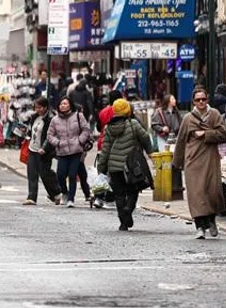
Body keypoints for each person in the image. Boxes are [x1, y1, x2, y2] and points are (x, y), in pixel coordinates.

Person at [172, 87, 226, 239]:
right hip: (193, 160)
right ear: (193, 102)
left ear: (207, 99)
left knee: (212, 193)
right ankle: (200, 227)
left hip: (210, 159)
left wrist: (206, 134)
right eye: (198, 100)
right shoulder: (188, 119)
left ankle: (211, 220)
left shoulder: (215, 115)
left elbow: (224, 134)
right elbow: (181, 141)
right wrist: (176, 163)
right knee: (197, 194)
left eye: (203, 99)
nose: (201, 102)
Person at [98, 98, 152, 230]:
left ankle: (123, 222)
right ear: (128, 111)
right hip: (131, 166)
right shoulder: (133, 124)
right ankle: (128, 208)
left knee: (119, 194)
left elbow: (105, 149)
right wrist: (150, 152)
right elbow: (145, 137)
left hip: (114, 167)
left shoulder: (109, 128)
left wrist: (101, 167)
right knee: (133, 190)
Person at [46, 97, 91, 207]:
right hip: (62, 151)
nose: (63, 106)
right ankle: (65, 193)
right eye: (61, 104)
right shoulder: (55, 120)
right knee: (60, 175)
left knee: (72, 175)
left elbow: (86, 130)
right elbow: (50, 135)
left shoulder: (78, 116)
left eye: (65, 103)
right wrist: (57, 142)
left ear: (70, 105)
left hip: (76, 150)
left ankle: (71, 198)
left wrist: (80, 141)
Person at [23, 97, 60, 205]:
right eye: (36, 107)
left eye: (39, 107)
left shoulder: (51, 119)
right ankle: (32, 197)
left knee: (45, 174)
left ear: (45, 107)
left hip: (44, 151)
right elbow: (31, 131)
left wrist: (45, 148)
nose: (37, 109)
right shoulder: (34, 117)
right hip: (32, 149)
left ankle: (56, 192)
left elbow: (50, 136)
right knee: (32, 174)